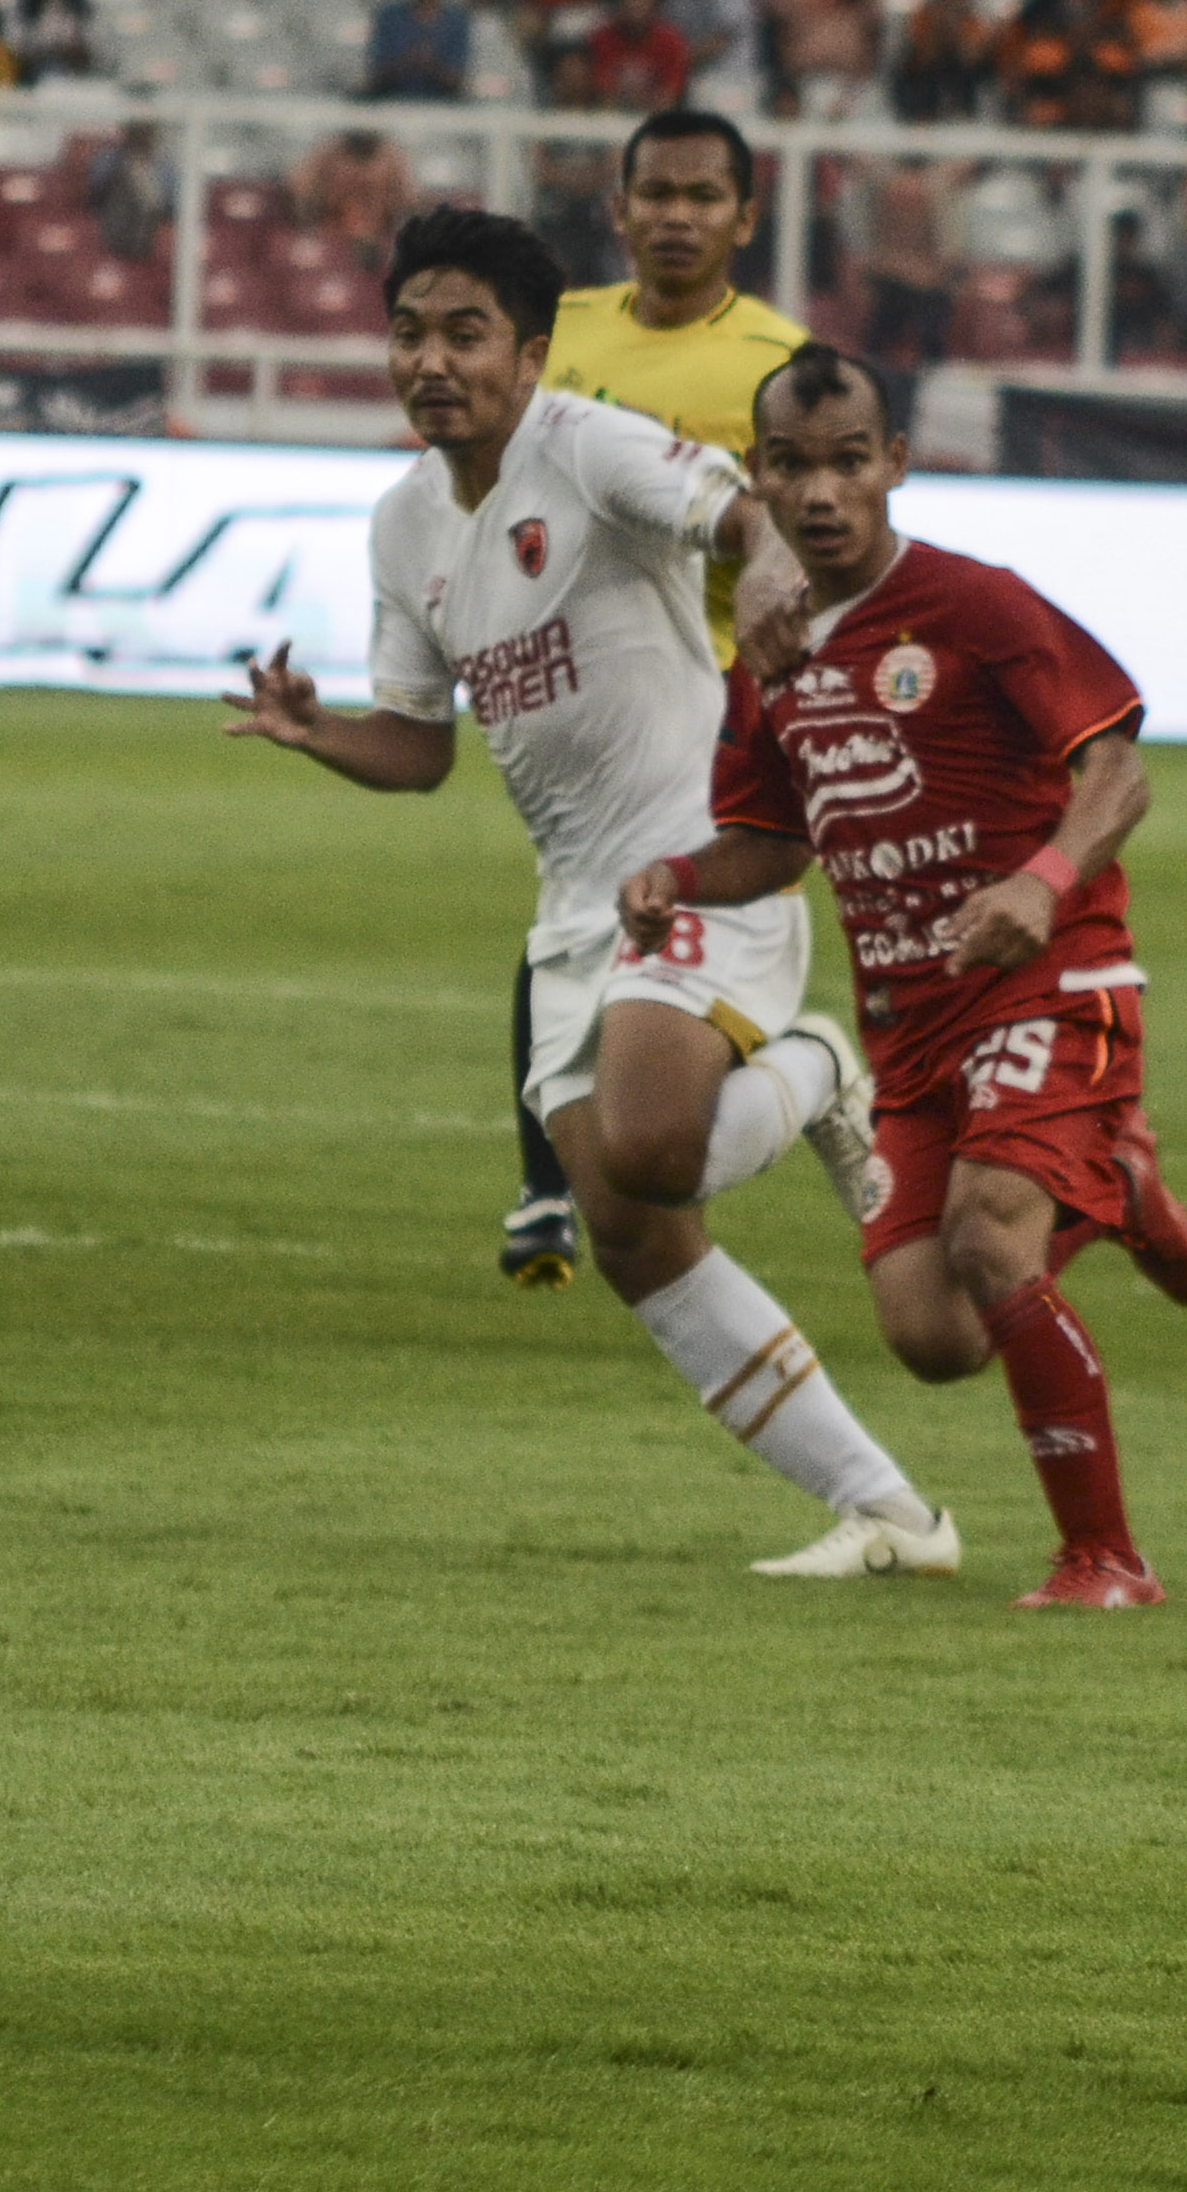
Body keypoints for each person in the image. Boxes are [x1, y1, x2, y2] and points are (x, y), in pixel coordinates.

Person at [221, 208, 945, 1582]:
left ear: (530, 353)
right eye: (409, 333)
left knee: (657, 1151)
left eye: (466, 334)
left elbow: (735, 510)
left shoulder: (587, 444)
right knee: (630, 1229)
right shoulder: (403, 523)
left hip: (700, 856)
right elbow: (421, 747)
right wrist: (318, 736)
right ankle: (894, 1517)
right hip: (575, 909)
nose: (432, 361)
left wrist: (769, 562)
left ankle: (820, 1069)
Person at [630, 346, 1187, 1609]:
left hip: (1050, 979)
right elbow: (772, 844)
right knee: (933, 1334)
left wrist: (1041, 884)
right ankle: (1116, 1190)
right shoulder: (770, 660)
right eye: (792, 466)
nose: (822, 492)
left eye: (850, 461)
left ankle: (1105, 1558)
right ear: (758, 477)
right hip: (910, 1027)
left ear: (896, 463)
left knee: (989, 1236)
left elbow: (1119, 771)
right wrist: (677, 876)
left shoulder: (977, 605)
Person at [497, 112, 812, 1289]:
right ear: (618, 209)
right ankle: (559, 1174)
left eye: (703, 196)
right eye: (657, 195)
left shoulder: (778, 363)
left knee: (637, 908)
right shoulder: (557, 334)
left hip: (723, 691)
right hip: (580, 684)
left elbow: (817, 518)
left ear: (745, 217)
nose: (678, 217)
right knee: (574, 910)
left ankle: (616, 1157)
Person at [367, 0, 476, 102]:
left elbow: (458, 81)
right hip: (393, 105)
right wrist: (407, 62)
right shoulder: (389, 16)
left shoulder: (457, 21)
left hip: (443, 109)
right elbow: (375, 75)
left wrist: (431, 65)